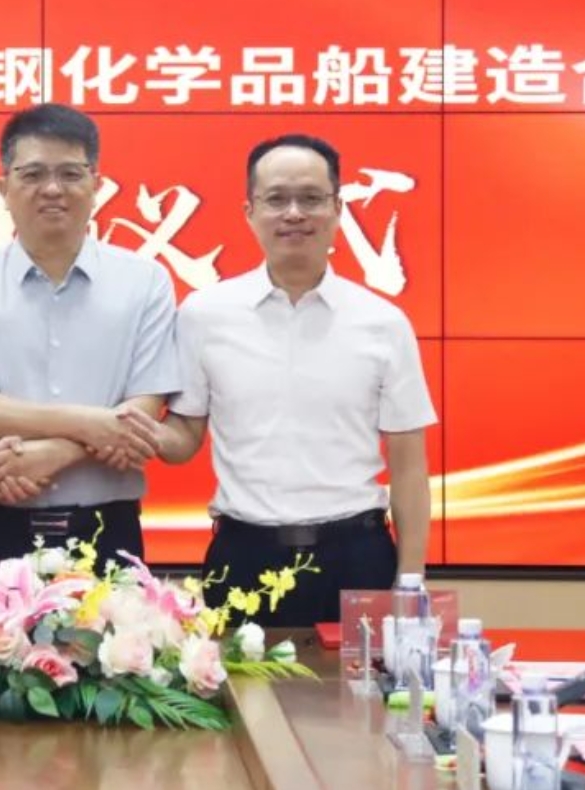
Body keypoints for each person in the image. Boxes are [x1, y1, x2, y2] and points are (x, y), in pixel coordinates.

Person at [136, 133, 436, 626]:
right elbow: (184, 435)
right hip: (243, 555)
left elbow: (408, 467)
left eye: (311, 198)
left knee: (362, 681)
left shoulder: (383, 322)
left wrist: (410, 581)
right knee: (233, 678)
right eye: (276, 199)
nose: (294, 213)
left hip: (356, 556)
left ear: (337, 209)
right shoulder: (204, 314)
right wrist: (128, 428)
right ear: (250, 212)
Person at [0, 103, 180, 564]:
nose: (52, 189)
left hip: (107, 528)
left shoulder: (145, 282)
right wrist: (89, 425)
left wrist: (53, 454)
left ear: (96, 186)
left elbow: (141, 412)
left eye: (70, 173)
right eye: (32, 174)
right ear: (3, 189)